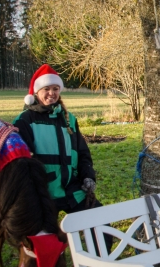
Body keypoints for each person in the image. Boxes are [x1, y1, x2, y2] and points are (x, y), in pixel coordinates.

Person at [14, 64, 100, 214]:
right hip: (43, 194)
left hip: (72, 190)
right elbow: (23, 163)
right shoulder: (24, 121)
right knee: (46, 230)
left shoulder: (69, 119)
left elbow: (82, 153)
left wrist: (88, 176)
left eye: (55, 89)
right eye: (46, 89)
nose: (51, 93)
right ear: (36, 92)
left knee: (101, 221)